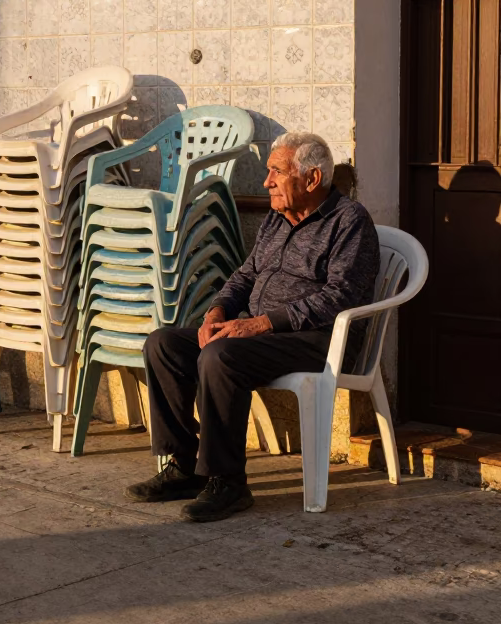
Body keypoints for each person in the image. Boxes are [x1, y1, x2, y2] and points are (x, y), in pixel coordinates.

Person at [126, 131, 380, 522]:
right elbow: (245, 276)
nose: (267, 182)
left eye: (276, 172)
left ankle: (228, 482)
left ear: (311, 179)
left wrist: (261, 324)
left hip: (318, 339)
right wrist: (217, 311)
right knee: (164, 344)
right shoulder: (275, 219)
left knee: (221, 356)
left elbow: (341, 296)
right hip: (263, 335)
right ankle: (183, 465)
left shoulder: (349, 221)